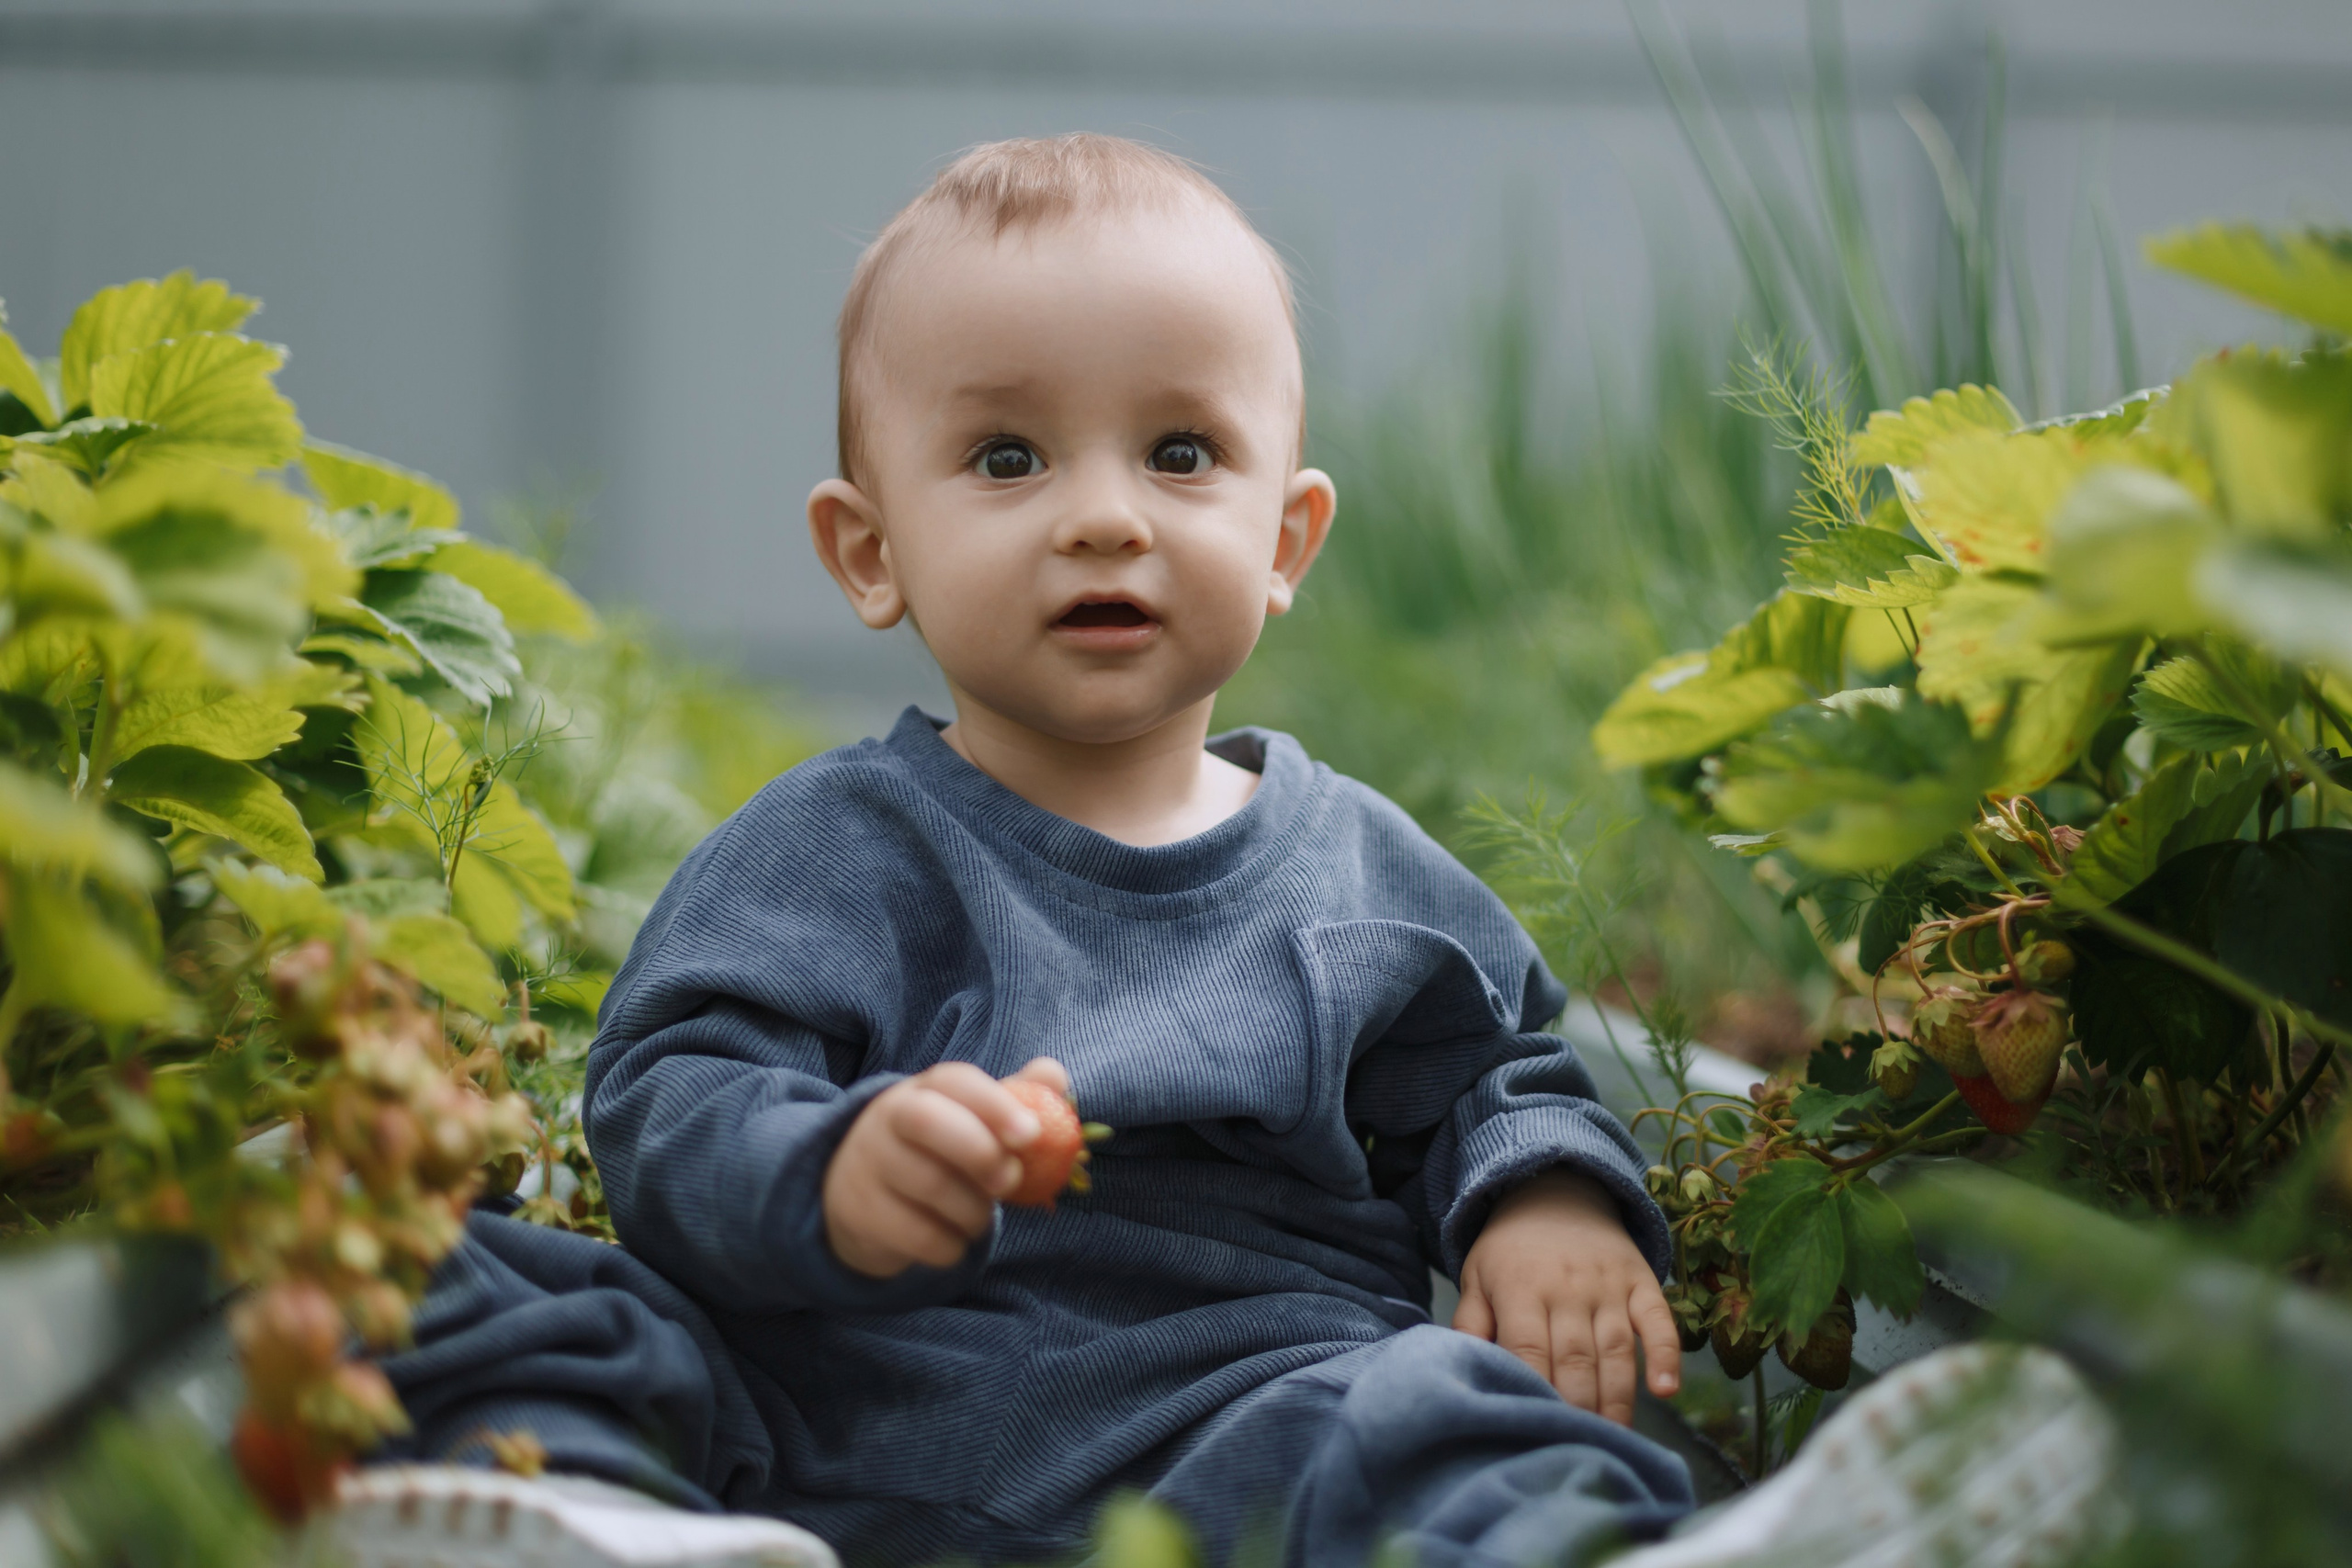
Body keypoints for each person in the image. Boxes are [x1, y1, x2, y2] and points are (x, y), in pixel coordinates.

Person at [359, 134, 2116, 1568]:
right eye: (1006, 454)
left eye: (1180, 451)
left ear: (1284, 538)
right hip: (824, 1413)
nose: (1106, 510)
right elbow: (668, 1090)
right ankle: (591, 1513)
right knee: (487, 1279)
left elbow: (1504, 1061)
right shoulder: (841, 845)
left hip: (1227, 1425)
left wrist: (1551, 1193)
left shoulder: (1357, 872)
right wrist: (825, 1166)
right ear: (868, 549)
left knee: (1436, 1420)